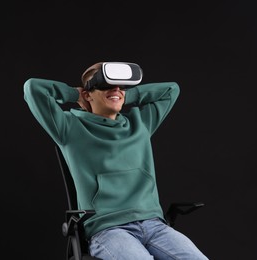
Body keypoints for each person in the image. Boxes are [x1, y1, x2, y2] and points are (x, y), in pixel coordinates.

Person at [23, 61, 208, 259]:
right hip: (109, 230)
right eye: (105, 85)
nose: (116, 90)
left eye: (120, 86)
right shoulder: (70, 128)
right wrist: (75, 94)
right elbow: (32, 88)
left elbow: (171, 89)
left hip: (154, 225)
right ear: (88, 94)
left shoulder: (141, 123)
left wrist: (126, 95)